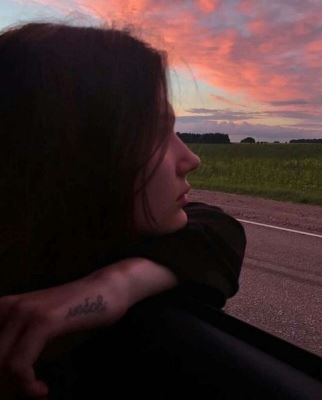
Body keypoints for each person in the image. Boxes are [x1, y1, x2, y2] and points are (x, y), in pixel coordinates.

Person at [0, 22, 247, 399]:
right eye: (155, 133)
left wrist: (114, 285)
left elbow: (219, 228)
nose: (191, 159)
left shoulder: (99, 246)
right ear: (79, 154)